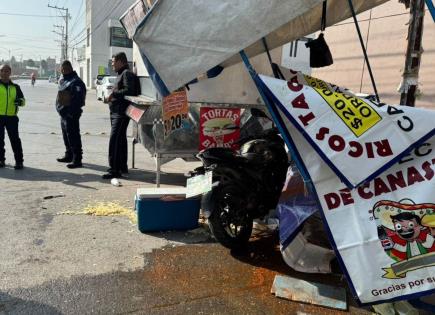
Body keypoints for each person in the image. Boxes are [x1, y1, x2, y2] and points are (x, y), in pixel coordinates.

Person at [102, 52, 140, 179]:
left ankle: (114, 169)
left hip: (121, 113)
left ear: (121, 61)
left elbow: (130, 90)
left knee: (115, 140)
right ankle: (122, 166)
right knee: (120, 140)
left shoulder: (127, 74)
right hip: (115, 112)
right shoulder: (120, 74)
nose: (112, 64)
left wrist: (114, 94)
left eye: (113, 62)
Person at [55, 60, 86, 168]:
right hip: (63, 114)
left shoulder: (76, 82)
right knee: (66, 136)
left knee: (73, 136)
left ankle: (77, 159)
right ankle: (69, 155)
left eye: (64, 69)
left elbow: (78, 100)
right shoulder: (64, 80)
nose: (63, 71)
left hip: (71, 114)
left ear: (69, 69)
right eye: (62, 69)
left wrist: (70, 113)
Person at [0, 64, 25, 169]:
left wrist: (19, 101)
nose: (4, 73)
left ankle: (19, 161)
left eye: (6, 71)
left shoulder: (16, 87)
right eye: (2, 71)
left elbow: (23, 101)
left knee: (15, 140)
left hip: (12, 117)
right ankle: (1, 160)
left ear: (10, 73)